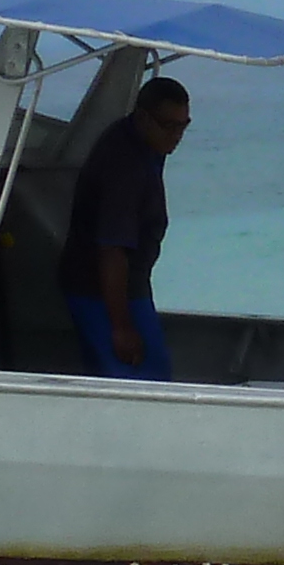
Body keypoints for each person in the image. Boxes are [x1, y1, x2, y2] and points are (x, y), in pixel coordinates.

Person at [59, 74, 188, 378]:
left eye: (184, 126)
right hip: (103, 292)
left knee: (110, 380)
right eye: (169, 125)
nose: (177, 135)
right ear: (143, 117)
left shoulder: (143, 142)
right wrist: (121, 327)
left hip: (117, 284)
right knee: (150, 383)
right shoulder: (126, 167)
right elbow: (112, 250)